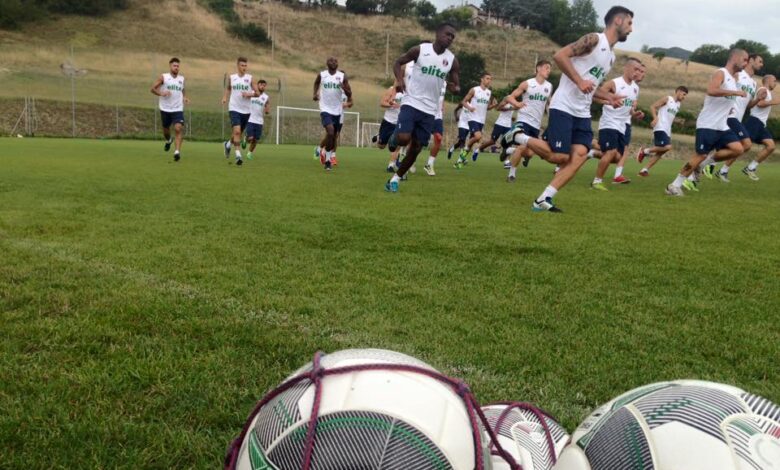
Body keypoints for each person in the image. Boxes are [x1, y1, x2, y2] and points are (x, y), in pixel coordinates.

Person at [499, 6, 633, 212]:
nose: (631, 29)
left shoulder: (611, 57)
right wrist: (579, 81)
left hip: (583, 112)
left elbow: (591, 87)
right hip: (563, 106)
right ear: (618, 20)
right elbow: (560, 55)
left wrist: (609, 97)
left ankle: (543, 199)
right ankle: (518, 137)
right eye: (629, 23)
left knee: (580, 155)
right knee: (559, 157)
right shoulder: (594, 40)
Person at [385, 23, 460, 193]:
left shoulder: (452, 60)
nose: (449, 38)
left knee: (417, 147)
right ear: (437, 34)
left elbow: (457, 85)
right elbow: (398, 62)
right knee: (403, 139)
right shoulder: (420, 50)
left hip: (430, 110)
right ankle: (395, 136)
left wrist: (455, 88)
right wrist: (400, 80)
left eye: (452, 37)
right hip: (411, 102)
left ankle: (395, 179)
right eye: (447, 34)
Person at [665, 49, 748, 196]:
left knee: (738, 149)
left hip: (722, 125)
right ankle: (674, 185)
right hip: (708, 124)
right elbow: (711, 90)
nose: (746, 63)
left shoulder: (733, 80)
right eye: (744, 59)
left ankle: (703, 165)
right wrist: (735, 93)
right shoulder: (721, 73)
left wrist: (730, 108)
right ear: (735, 58)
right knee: (700, 155)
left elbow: (724, 101)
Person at [590, 57, 641, 191]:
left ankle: (591, 150)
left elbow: (630, 108)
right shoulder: (614, 83)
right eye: (635, 69)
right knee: (611, 152)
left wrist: (635, 114)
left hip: (622, 126)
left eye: (639, 70)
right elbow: (594, 96)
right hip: (609, 122)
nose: (637, 72)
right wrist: (609, 101)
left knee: (617, 157)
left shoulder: (635, 88)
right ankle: (597, 181)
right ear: (627, 68)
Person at [713, 53, 765, 182]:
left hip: (738, 118)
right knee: (746, 144)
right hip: (730, 116)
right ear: (751, 60)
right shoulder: (738, 75)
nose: (762, 64)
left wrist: (758, 99)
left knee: (732, 147)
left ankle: (710, 166)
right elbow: (723, 89)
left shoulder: (754, 83)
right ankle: (714, 166)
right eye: (760, 61)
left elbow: (748, 105)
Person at [504, 60, 554, 182]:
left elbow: (549, 104)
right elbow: (509, 97)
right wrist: (517, 104)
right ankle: (511, 175)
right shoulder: (527, 84)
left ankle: (509, 150)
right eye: (546, 68)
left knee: (530, 153)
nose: (549, 71)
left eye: (550, 69)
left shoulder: (549, 86)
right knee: (522, 147)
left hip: (536, 124)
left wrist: (552, 117)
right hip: (524, 120)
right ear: (538, 68)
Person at [637, 86, 688, 176]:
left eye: (685, 95)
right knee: (668, 147)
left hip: (667, 130)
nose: (684, 97)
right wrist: (655, 118)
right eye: (684, 94)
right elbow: (653, 106)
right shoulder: (668, 99)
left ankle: (644, 170)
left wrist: (678, 121)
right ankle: (644, 151)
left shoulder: (678, 105)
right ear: (679, 92)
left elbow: (670, 116)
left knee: (661, 152)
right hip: (660, 127)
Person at [313, 57, 352, 171]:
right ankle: (326, 157)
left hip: (337, 111)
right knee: (330, 132)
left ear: (338, 64)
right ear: (327, 63)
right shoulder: (322, 75)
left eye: (335, 61)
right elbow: (316, 83)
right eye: (331, 61)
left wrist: (344, 88)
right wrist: (315, 94)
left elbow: (350, 94)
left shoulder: (342, 76)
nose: (333, 62)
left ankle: (328, 158)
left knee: (333, 136)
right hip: (325, 109)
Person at [150, 57, 189, 161]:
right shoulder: (164, 77)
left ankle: (177, 152)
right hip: (165, 108)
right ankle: (168, 141)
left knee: (178, 128)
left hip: (177, 108)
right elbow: (152, 89)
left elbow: (182, 89)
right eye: (174, 66)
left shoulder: (182, 79)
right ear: (170, 66)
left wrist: (185, 97)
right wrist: (161, 93)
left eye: (178, 66)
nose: (176, 67)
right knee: (166, 131)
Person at [222, 57, 259, 166]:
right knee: (237, 132)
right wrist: (225, 97)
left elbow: (257, 93)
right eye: (242, 65)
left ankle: (228, 145)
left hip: (246, 110)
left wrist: (249, 94)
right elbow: (228, 88)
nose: (244, 67)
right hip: (234, 108)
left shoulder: (250, 78)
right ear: (238, 66)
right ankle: (238, 155)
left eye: (245, 65)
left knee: (238, 133)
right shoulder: (232, 77)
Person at [742, 74, 779, 180]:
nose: (775, 83)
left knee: (771, 146)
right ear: (768, 81)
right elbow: (760, 104)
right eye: (774, 80)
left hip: (761, 124)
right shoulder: (763, 90)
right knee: (742, 147)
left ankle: (750, 168)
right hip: (754, 122)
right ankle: (717, 165)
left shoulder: (768, 92)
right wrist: (775, 102)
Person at [455, 73, 497, 167]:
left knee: (472, 142)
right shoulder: (474, 90)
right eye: (487, 78)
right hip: (473, 118)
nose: (489, 81)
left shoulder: (489, 92)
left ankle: (459, 161)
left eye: (490, 79)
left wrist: (493, 106)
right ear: (482, 79)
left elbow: (486, 108)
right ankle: (465, 148)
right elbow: (463, 101)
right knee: (478, 137)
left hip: (481, 120)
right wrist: (469, 108)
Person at [424, 86, 447, 176]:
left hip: (437, 116)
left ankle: (429, 164)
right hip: (426, 113)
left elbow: (442, 97)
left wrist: (442, 105)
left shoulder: (445, 83)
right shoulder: (430, 79)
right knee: (418, 141)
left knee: (438, 139)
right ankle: (409, 160)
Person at [246, 79, 270, 161]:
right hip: (250, 119)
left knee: (255, 140)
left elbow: (267, 104)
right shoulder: (252, 93)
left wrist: (267, 109)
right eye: (261, 85)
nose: (263, 87)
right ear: (257, 85)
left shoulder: (266, 97)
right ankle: (246, 138)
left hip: (259, 121)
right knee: (250, 138)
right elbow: (245, 98)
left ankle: (249, 153)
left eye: (264, 85)